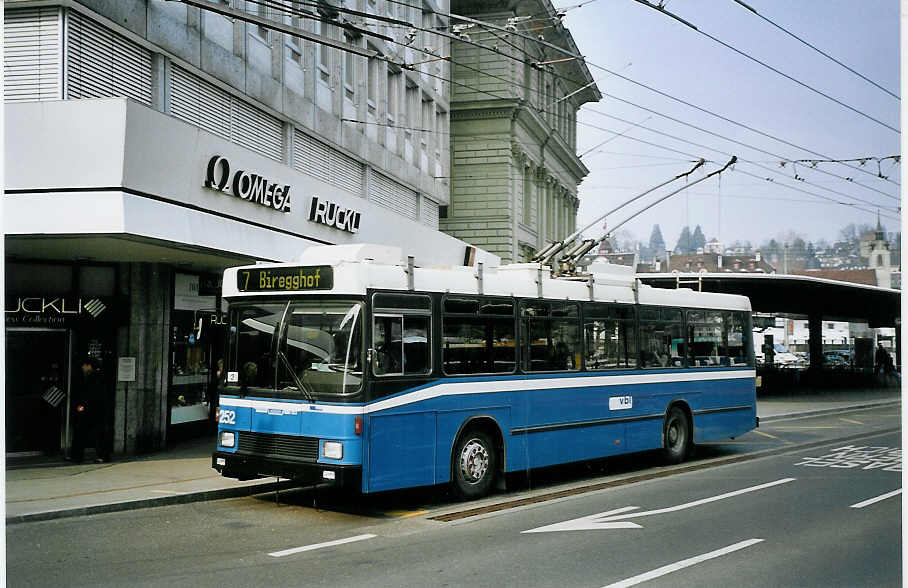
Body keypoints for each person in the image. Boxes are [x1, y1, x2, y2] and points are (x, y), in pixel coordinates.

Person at [70, 357, 110, 463]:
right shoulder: (93, 377)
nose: (82, 367)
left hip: (93, 410)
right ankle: (77, 455)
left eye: (84, 365)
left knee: (93, 433)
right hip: (93, 409)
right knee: (83, 432)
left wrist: (82, 405)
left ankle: (80, 456)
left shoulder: (95, 377)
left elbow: (91, 394)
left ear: (89, 366)